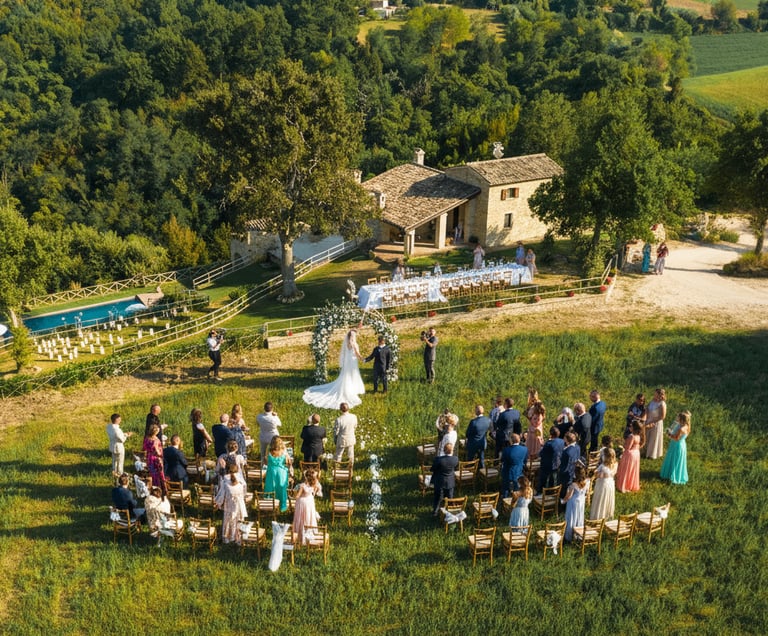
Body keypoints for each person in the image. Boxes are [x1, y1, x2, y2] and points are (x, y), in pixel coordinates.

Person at [303, 326, 366, 409]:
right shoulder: (354, 344)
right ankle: (353, 389)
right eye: (354, 336)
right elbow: (357, 354)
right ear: (353, 336)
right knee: (353, 373)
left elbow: (354, 331)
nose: (355, 336)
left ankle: (353, 387)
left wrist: (358, 327)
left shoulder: (347, 343)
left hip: (348, 362)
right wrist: (363, 359)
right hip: (352, 361)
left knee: (347, 374)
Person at [215, 462, 248, 544]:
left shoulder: (225, 483)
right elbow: (244, 494)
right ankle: (238, 537)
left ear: (228, 472)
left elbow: (221, 496)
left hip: (229, 506)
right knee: (238, 521)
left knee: (228, 522)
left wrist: (217, 503)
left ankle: (228, 537)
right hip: (239, 506)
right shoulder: (241, 484)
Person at [660, 411, 690, 485]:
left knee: (674, 460)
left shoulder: (681, 429)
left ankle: (672, 476)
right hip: (682, 444)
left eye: (679, 418)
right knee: (677, 461)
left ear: (682, 420)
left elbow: (676, 438)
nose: (678, 419)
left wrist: (669, 434)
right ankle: (676, 474)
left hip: (676, 445)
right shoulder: (687, 426)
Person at [293, 469, 323, 544]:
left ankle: (300, 534)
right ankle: (309, 531)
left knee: (301, 517)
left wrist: (293, 495)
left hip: (302, 502)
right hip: (310, 501)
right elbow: (314, 493)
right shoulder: (315, 484)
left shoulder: (302, 486)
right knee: (309, 516)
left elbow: (297, 496)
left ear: (305, 477)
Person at [264, 435, 292, 512]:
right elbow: (288, 461)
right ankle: (282, 506)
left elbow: (265, 462)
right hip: (281, 472)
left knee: (270, 487)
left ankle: (269, 505)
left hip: (271, 472)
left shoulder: (268, 450)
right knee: (281, 488)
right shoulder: (283, 450)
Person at [615, 421, 644, 493]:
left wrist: (622, 444)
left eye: (631, 426)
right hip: (636, 453)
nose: (630, 427)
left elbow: (627, 447)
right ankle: (631, 484)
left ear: (634, 428)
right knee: (632, 470)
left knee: (627, 469)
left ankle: (623, 485)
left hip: (630, 454)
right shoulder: (638, 436)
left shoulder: (632, 436)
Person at [431, 442, 459, 515]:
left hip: (440, 481)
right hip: (450, 481)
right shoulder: (455, 459)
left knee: (437, 498)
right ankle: (449, 512)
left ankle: (435, 512)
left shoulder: (439, 460)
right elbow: (455, 467)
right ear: (452, 450)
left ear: (444, 450)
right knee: (450, 498)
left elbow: (432, 469)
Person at [563, 465, 589, 542]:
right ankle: (578, 533)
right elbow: (587, 493)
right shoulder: (587, 482)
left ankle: (569, 535)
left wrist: (562, 501)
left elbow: (569, 496)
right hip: (581, 502)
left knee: (571, 517)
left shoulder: (573, 485)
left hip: (573, 503)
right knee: (579, 516)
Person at [590, 448, 617, 520]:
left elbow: (598, 475)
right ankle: (606, 515)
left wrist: (596, 472)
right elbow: (612, 473)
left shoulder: (603, 466)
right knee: (607, 499)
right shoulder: (615, 464)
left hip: (602, 485)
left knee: (600, 500)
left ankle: (598, 516)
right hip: (610, 484)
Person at [501, 433, 528, 498]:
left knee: (506, 488)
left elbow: (502, 460)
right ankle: (516, 499)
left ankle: (505, 499)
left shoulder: (506, 450)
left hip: (507, 472)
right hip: (519, 471)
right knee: (517, 488)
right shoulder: (524, 449)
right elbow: (525, 460)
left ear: (511, 440)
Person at [538, 427, 564, 493]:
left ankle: (541, 492)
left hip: (547, 465)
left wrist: (542, 445)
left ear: (551, 434)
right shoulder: (562, 441)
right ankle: (552, 492)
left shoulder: (548, 444)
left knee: (543, 480)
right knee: (553, 480)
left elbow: (541, 453)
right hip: (557, 463)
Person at [644, 388, 667, 460]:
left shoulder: (662, 404)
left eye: (656, 394)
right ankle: (645, 452)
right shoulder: (652, 401)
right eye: (654, 394)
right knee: (646, 436)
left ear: (660, 395)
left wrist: (653, 421)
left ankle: (652, 454)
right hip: (648, 420)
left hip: (656, 422)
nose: (654, 395)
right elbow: (647, 407)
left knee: (653, 438)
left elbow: (662, 416)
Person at [143, 424, 166, 495]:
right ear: (155, 432)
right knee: (159, 475)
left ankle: (153, 489)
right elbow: (157, 451)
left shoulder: (147, 438)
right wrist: (161, 455)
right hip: (156, 459)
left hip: (149, 457)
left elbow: (144, 448)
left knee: (152, 474)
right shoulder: (155, 440)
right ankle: (161, 489)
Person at [559, 431, 580, 498]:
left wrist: (559, 471)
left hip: (566, 474)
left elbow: (565, 466)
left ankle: (562, 502)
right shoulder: (577, 447)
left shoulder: (566, 452)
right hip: (573, 471)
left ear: (567, 440)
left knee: (564, 489)